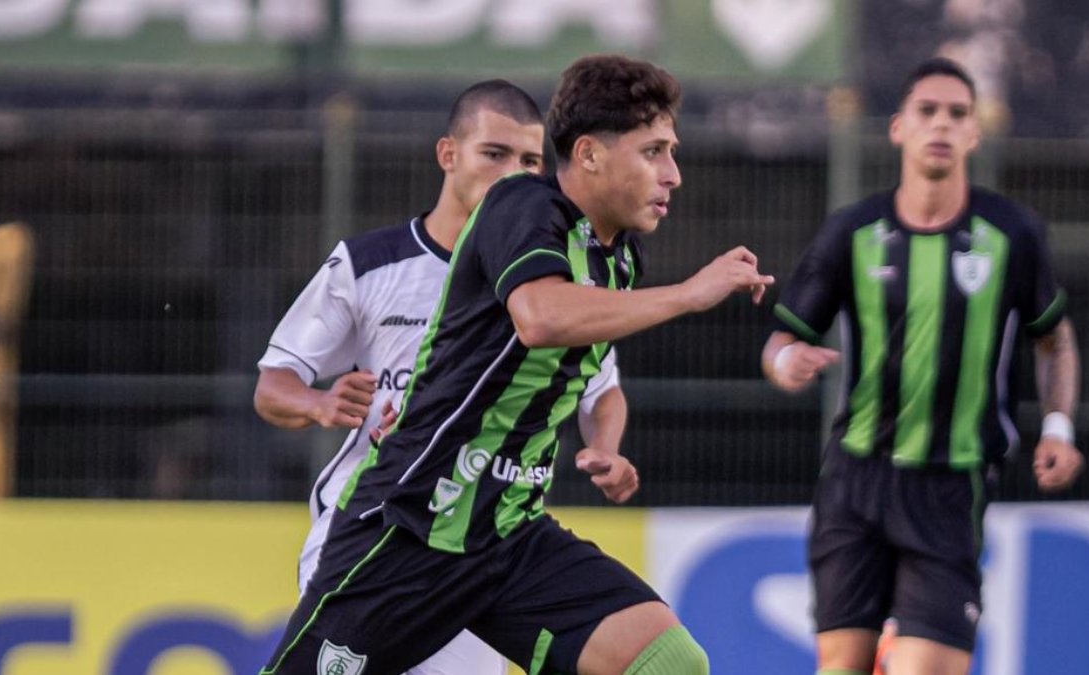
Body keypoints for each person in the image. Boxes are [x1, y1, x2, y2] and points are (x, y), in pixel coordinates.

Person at [259, 54, 773, 675]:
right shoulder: (521, 207)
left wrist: (605, 444)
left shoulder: (617, 258)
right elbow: (539, 317)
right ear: (587, 154)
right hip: (413, 526)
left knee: (668, 662)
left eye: (671, 151)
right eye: (654, 152)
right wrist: (692, 293)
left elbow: (594, 378)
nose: (674, 174)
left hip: (509, 536)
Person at [255, 79, 636, 675]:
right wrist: (319, 404)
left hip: (474, 543)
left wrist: (605, 448)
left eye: (531, 161)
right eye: (495, 154)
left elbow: (601, 387)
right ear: (448, 154)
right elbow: (272, 384)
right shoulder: (370, 264)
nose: (514, 174)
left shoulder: (553, 282)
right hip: (370, 531)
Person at [762, 57, 1085, 675]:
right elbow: (780, 341)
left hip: (949, 489)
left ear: (974, 134)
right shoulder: (852, 233)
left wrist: (1059, 428)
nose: (941, 124)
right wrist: (786, 363)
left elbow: (1054, 339)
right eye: (927, 111)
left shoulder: (1011, 233)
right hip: (855, 482)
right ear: (897, 128)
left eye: (957, 113)